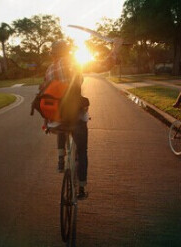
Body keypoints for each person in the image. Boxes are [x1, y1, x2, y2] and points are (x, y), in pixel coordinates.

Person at [40, 39, 123, 199]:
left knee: (61, 120)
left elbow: (44, 94)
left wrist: (46, 120)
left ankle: (60, 160)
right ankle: (82, 188)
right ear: (68, 52)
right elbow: (104, 65)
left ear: (53, 54)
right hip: (76, 116)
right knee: (82, 150)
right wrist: (115, 49)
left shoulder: (49, 70)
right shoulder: (74, 64)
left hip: (56, 120)